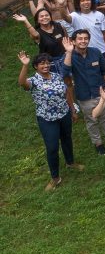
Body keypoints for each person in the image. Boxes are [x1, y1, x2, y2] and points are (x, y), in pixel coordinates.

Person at [18, 51, 84, 191]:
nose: (46, 65)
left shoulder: (56, 76)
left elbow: (66, 93)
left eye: (47, 63)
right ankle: (55, 178)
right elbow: (22, 83)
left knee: (67, 139)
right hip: (47, 119)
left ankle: (70, 163)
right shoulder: (34, 81)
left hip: (64, 114)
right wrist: (25, 66)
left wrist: (72, 110)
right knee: (52, 147)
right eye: (42, 63)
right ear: (36, 66)